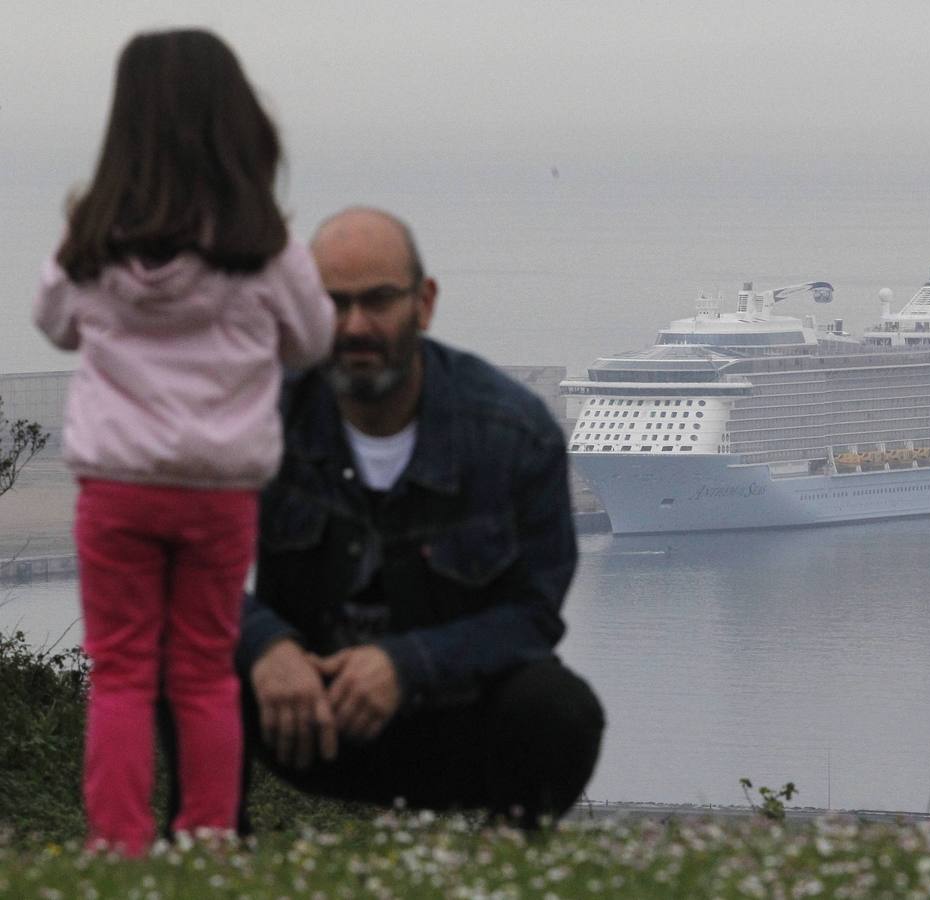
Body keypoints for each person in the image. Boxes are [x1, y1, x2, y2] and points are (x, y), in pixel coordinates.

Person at [32, 30, 335, 856]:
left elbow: (53, 322)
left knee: (123, 671)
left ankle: (118, 845)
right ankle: (209, 838)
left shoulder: (92, 243)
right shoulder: (264, 247)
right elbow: (311, 341)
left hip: (117, 489)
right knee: (203, 670)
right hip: (218, 491)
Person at [231, 207, 604, 829]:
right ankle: (205, 853)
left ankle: (504, 863)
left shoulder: (514, 434)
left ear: (424, 303)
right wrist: (267, 645)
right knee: (182, 656)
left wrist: (408, 664)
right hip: (304, 715)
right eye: (332, 303)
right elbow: (190, 570)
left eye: (377, 300)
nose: (354, 326)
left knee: (560, 711)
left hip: (454, 718)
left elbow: (534, 614)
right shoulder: (260, 419)